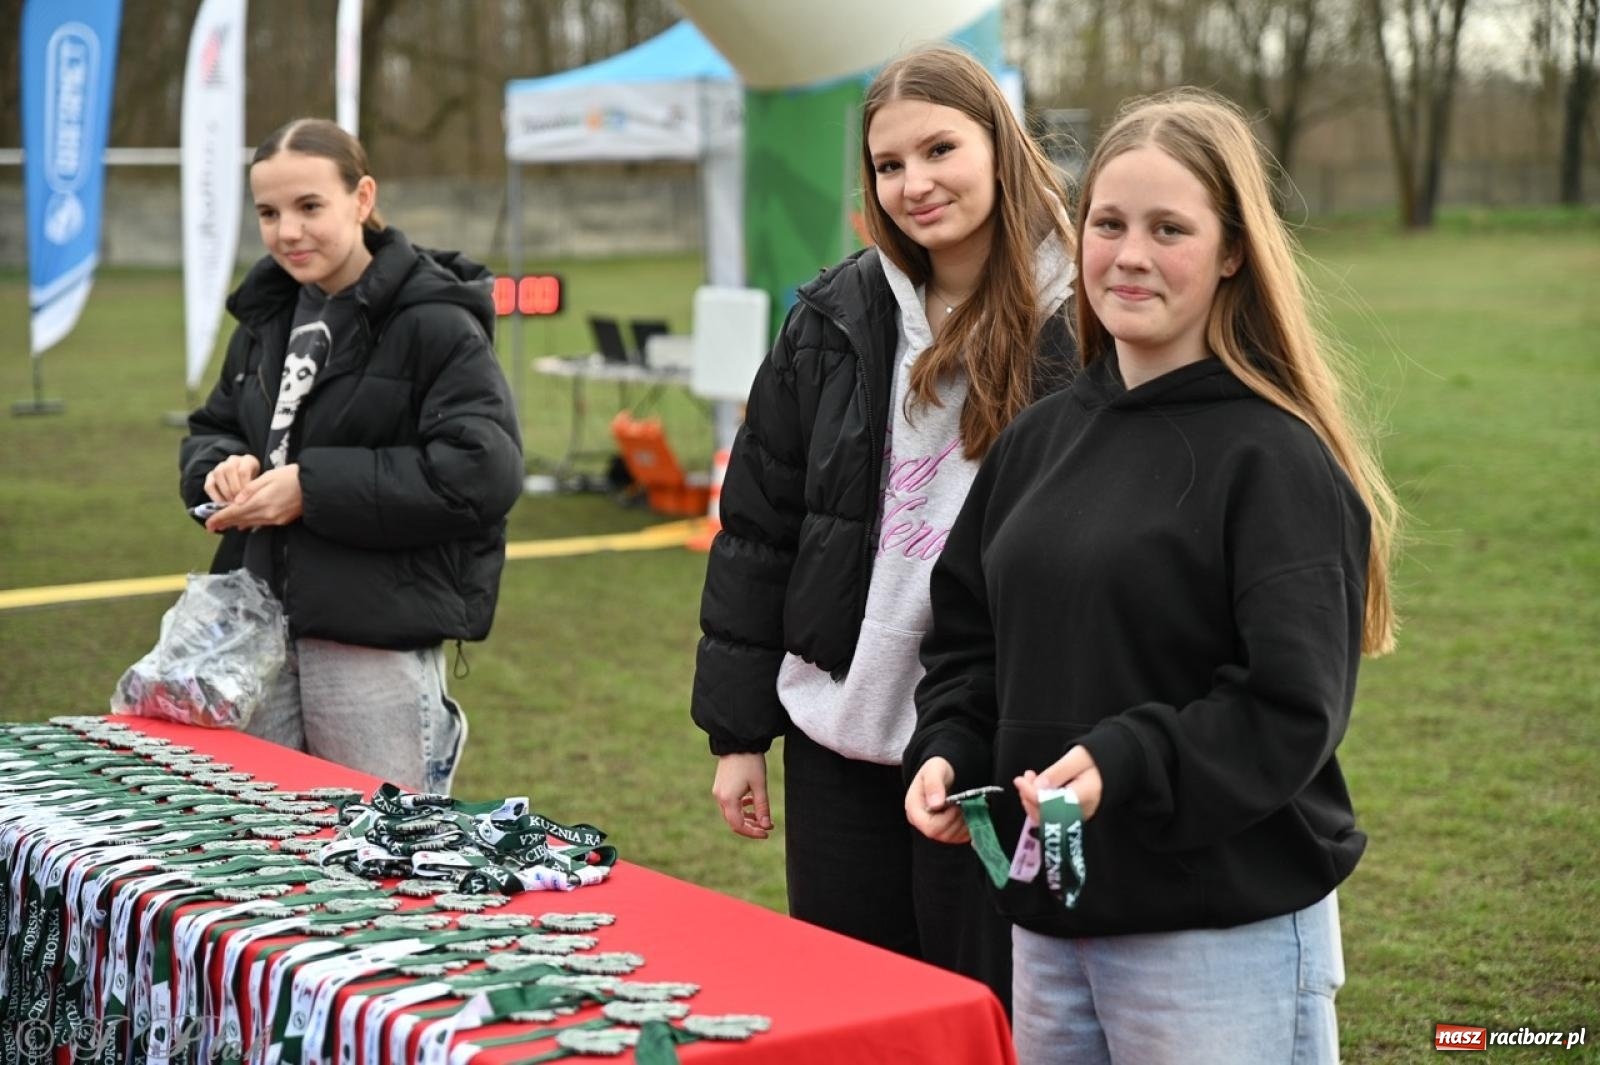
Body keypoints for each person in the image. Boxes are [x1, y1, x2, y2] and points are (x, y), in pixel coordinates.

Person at [903, 88, 1400, 1064]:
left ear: (1229, 253)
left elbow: (1288, 706)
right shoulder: (1040, 438)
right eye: (1107, 223)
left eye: (1168, 228)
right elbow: (969, 636)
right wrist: (952, 746)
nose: (1128, 255)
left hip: (1215, 936)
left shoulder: (1273, 459)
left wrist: (1128, 761)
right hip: (1051, 923)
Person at [690, 45, 1078, 1011]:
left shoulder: (1082, 318)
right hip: (842, 741)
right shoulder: (832, 317)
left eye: (939, 148)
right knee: (849, 1010)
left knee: (983, 1014)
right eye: (889, 165)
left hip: (998, 747)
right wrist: (738, 733)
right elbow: (757, 531)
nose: (915, 184)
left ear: (999, 143)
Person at [180, 118, 523, 794]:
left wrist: (312, 487)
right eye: (269, 213)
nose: (287, 231)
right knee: (267, 858)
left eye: (310, 207)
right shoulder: (265, 316)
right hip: (260, 628)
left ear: (361, 199)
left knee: (380, 870)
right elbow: (213, 425)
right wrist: (221, 465)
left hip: (374, 638)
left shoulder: (433, 319)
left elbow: (482, 470)